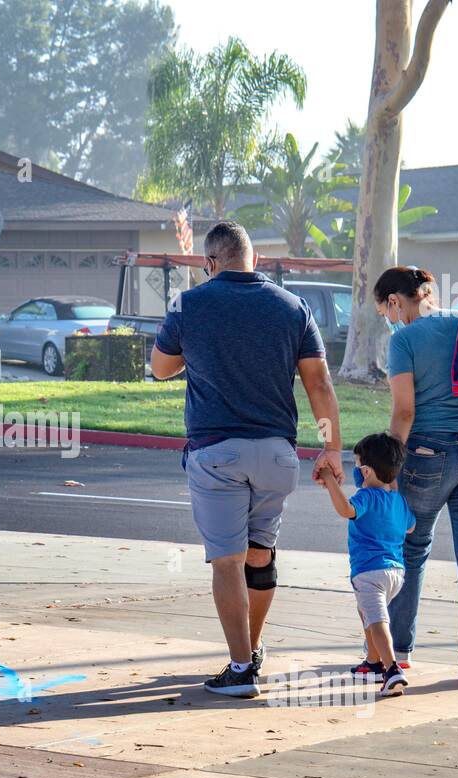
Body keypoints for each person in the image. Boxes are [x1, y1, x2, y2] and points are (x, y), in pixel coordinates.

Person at [151, 221, 343, 699]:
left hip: (216, 452)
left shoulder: (189, 305)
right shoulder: (292, 306)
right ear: (253, 259)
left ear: (210, 263)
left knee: (227, 562)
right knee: (260, 555)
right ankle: (252, 652)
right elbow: (318, 385)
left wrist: (197, 351)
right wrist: (332, 446)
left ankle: (240, 671)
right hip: (278, 455)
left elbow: (160, 368)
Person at [379, 265, 458, 687]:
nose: (390, 319)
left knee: (410, 547)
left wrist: (388, 469)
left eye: (387, 310)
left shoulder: (404, 340)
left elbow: (404, 411)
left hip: (427, 455)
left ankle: (396, 652)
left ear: (396, 301)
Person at [315, 432, 415, 697]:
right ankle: (373, 662)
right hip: (396, 572)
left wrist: (328, 479)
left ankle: (392, 669)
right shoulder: (399, 501)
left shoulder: (366, 496)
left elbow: (346, 510)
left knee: (378, 620)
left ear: (367, 470)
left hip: (370, 572)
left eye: (357, 465)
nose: (356, 471)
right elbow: (411, 527)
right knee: (368, 615)